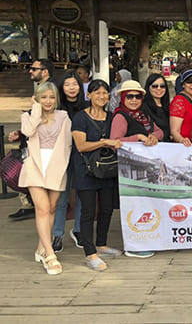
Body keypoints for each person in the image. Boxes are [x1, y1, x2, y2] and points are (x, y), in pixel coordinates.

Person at [19, 82, 72, 275]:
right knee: (42, 208)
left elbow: (67, 144)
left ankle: (41, 247)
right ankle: (50, 255)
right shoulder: (27, 117)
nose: (48, 101)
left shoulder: (63, 116)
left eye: (51, 97)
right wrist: (36, 109)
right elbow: (28, 132)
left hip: (57, 165)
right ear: (37, 98)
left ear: (56, 98)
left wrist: (62, 166)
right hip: (34, 165)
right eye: (43, 97)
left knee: (51, 208)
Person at [71, 80, 123, 271]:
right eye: (97, 93)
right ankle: (90, 253)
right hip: (86, 170)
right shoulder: (80, 118)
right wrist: (104, 142)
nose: (102, 96)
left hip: (107, 170)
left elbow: (121, 137)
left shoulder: (111, 117)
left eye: (105, 93)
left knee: (107, 209)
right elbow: (81, 146)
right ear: (89, 95)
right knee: (88, 211)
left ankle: (101, 244)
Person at [111, 80, 163, 258]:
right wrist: (138, 137)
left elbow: (160, 131)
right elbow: (114, 142)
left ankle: (144, 240)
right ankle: (133, 245)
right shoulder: (120, 117)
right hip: (129, 170)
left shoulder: (143, 115)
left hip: (145, 169)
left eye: (137, 96)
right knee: (134, 206)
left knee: (145, 205)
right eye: (130, 96)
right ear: (123, 98)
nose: (134, 100)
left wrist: (152, 137)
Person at [8, 59, 56, 222]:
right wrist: (21, 133)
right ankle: (32, 205)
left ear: (45, 71)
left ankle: (37, 209)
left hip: (43, 148)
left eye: (34, 69)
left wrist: (25, 124)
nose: (30, 71)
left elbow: (44, 120)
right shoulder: (42, 88)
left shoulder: (51, 89)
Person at [51, 70, 88, 253]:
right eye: (67, 84)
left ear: (80, 87)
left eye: (75, 84)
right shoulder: (56, 107)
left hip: (82, 156)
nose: (71, 88)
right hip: (62, 157)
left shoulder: (87, 106)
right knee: (61, 197)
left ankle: (78, 230)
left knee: (82, 195)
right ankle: (58, 234)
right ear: (62, 87)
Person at [170, 69, 192, 146]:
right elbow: (174, 131)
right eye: (189, 81)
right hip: (184, 146)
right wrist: (182, 140)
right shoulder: (179, 101)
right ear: (183, 84)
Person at [142, 73, 171, 142]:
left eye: (162, 86)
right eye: (155, 86)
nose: (159, 88)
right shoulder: (143, 107)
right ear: (148, 88)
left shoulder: (169, 106)